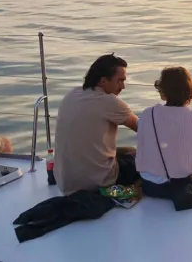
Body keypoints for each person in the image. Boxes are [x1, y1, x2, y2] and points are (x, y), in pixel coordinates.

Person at [54, 54, 139, 195]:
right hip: (96, 183)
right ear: (103, 81)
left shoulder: (72, 94)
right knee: (138, 157)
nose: (123, 86)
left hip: (65, 182)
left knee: (127, 150)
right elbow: (145, 129)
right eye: (120, 81)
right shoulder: (110, 102)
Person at [136, 66, 192, 199]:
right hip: (181, 187)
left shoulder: (148, 113)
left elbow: (142, 148)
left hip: (152, 187)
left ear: (165, 91)